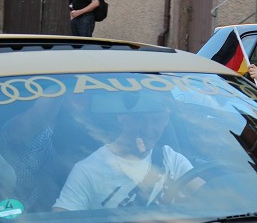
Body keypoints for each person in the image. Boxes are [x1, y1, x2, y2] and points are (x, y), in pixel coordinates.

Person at [53, 90, 194, 211]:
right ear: (121, 117)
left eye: (156, 120)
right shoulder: (87, 170)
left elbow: (206, 196)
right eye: (139, 119)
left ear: (166, 121)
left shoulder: (172, 159)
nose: (148, 129)